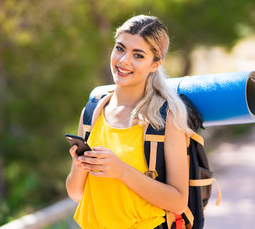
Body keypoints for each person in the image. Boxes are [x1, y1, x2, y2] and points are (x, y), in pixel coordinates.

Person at [66, 15, 194, 229]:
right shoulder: (91, 112)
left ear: (155, 64)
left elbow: (178, 201)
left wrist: (122, 170)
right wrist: (80, 167)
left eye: (138, 55)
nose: (124, 60)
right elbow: (76, 193)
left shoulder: (166, 118)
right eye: (120, 48)